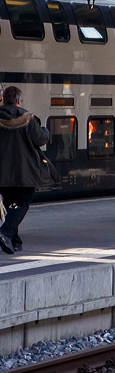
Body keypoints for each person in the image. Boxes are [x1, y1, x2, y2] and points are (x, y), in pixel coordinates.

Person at [0, 86, 53, 254]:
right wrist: (45, 131)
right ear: (18, 101)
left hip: (2, 173)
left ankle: (14, 241)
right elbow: (40, 139)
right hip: (23, 172)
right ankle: (5, 232)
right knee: (22, 203)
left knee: (10, 203)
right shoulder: (27, 119)